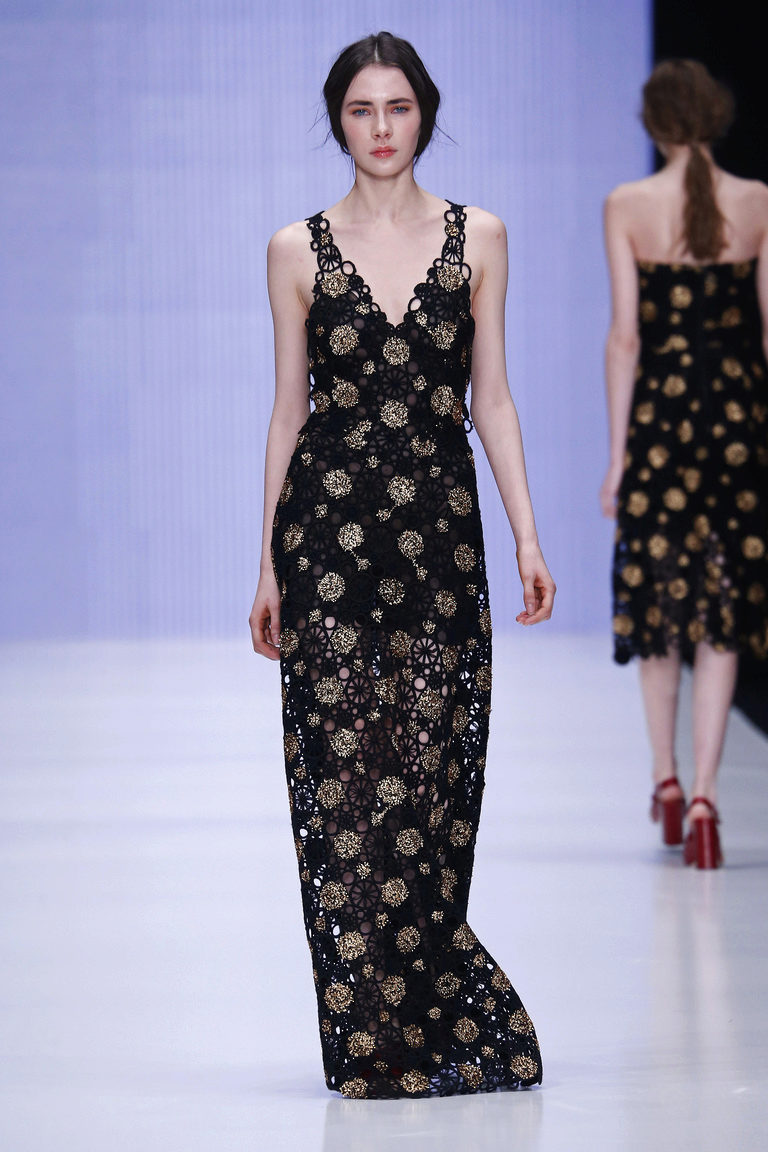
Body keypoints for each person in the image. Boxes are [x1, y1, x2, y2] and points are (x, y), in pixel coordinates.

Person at [248, 32, 555, 1098]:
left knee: (431, 788)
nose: (381, 129)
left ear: (426, 112)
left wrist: (526, 535)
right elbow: (289, 411)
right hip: (326, 541)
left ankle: (420, 1017)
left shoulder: (481, 237)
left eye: (399, 108)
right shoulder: (295, 248)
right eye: (361, 109)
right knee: (342, 790)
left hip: (440, 543)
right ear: (338, 120)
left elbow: (492, 398)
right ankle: (370, 1039)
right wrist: (266, 566)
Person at [600, 59, 768, 869]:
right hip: (737, 428)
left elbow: (625, 340)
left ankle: (665, 781)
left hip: (661, 430)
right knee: (724, 609)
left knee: (661, 605)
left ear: (653, 124)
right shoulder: (758, 202)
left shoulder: (627, 204)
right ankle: (705, 796)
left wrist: (616, 459)